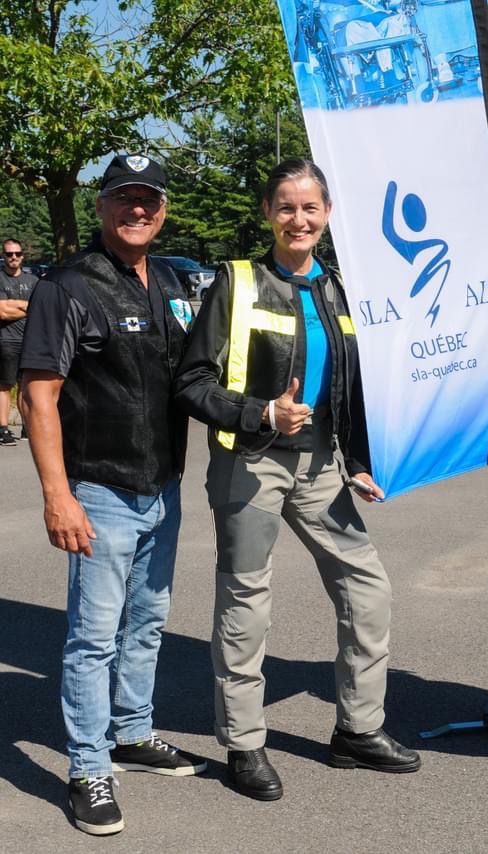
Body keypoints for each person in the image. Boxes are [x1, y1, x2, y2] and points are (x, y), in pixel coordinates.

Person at [174, 157, 420, 802]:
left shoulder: (340, 289)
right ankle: (244, 743)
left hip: (319, 468)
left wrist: (358, 461)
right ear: (267, 213)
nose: (298, 219)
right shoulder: (237, 282)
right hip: (249, 465)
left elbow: (352, 388)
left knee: (368, 589)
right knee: (246, 603)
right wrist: (262, 413)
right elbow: (191, 382)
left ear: (328, 214)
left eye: (310, 208)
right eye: (286, 207)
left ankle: (358, 731)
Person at [18, 154, 205, 837]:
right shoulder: (66, 286)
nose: (137, 210)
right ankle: (88, 768)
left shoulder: (173, 281)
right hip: (98, 488)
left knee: (147, 623)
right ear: (100, 207)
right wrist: (57, 496)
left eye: (148, 200)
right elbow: (37, 396)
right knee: (93, 638)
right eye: (124, 198)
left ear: (163, 211)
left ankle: (131, 732)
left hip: (163, 486)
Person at [0, 238, 38, 445]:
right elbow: (3, 312)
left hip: (30, 340)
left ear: (23, 256)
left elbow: (41, 307)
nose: (13, 257)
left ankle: (26, 426)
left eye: (17, 253)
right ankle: (3, 429)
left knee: (26, 385)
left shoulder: (33, 281)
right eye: (9, 254)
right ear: (3, 256)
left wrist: (14, 305)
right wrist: (30, 307)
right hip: (6, 340)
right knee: (4, 385)